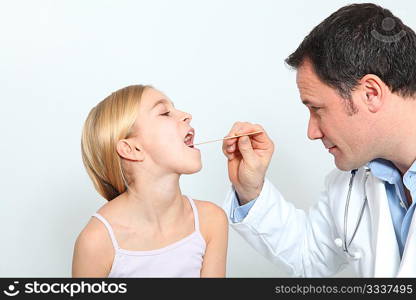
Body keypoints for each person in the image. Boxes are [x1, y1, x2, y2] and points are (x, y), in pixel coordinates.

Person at [222, 3, 416, 277]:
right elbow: (308, 257)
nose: (312, 132)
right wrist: (250, 190)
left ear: (370, 93)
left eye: (317, 109)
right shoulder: (356, 180)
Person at [72, 85, 228, 277]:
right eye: (164, 113)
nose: (187, 115)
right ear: (133, 149)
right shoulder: (97, 241)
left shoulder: (211, 220)